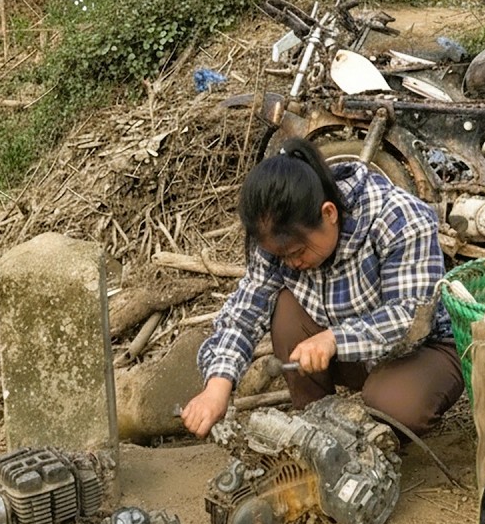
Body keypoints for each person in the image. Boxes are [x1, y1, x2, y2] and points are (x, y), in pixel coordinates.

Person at [181, 136, 464, 440]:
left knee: (394, 406)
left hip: (424, 348)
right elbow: (245, 312)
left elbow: (410, 317)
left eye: (297, 252)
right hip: (352, 350)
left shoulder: (398, 217)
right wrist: (217, 386)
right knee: (286, 311)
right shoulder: (278, 239)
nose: (291, 263)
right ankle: (317, 429)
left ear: (329, 214)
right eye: (281, 256)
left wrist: (333, 340)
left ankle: (383, 437)